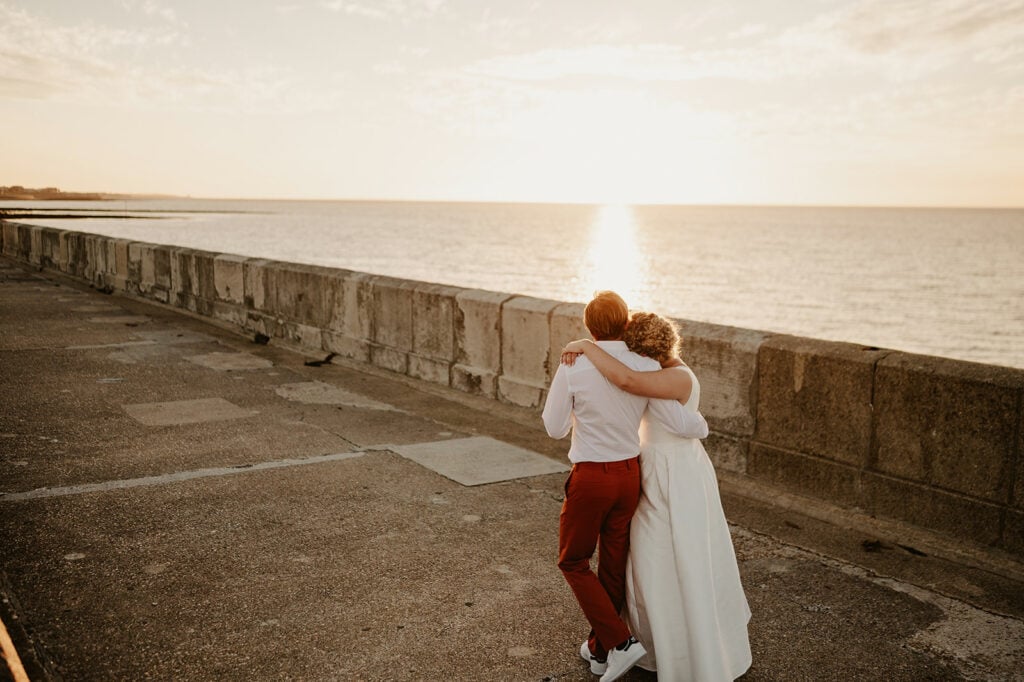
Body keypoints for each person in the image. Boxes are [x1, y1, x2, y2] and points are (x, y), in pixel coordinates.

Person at [561, 311, 752, 681]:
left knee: (674, 556)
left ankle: (676, 653)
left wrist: (585, 345)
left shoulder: (673, 377)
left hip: (671, 475)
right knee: (654, 561)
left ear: (645, 350)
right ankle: (654, 644)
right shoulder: (668, 371)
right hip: (667, 469)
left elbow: (627, 380)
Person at [542, 292, 709, 682]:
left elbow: (554, 427)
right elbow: (674, 416)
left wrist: (578, 417)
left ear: (589, 326)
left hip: (592, 479)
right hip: (630, 476)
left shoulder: (574, 364)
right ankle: (600, 651)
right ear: (625, 323)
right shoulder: (646, 364)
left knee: (573, 560)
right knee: (613, 564)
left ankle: (621, 642)